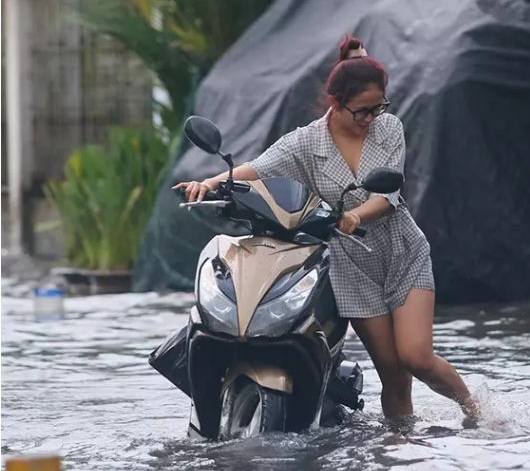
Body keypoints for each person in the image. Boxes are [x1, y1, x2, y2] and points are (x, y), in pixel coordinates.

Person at [174, 36, 479, 423]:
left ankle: (475, 412)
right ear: (335, 103)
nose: (371, 118)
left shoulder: (389, 129)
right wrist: (212, 182)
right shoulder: (306, 141)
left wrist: (355, 216)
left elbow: (388, 195)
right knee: (394, 375)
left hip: (402, 250)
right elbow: (260, 166)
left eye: (378, 108)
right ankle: (403, 448)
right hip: (352, 267)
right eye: (362, 111)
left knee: (416, 356)